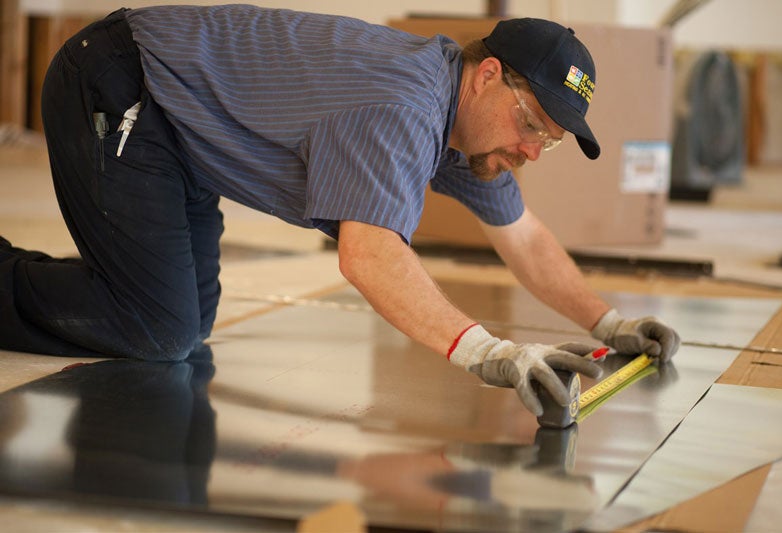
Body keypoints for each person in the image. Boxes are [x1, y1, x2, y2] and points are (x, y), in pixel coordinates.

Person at [0, 6, 680, 415]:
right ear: (488, 75)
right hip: (124, 82)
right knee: (159, 329)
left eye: (548, 142)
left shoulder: (464, 134)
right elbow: (369, 255)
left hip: (179, 136)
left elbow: (524, 238)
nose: (531, 149)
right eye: (531, 123)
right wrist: (489, 352)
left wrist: (611, 323)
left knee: (184, 319)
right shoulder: (406, 104)